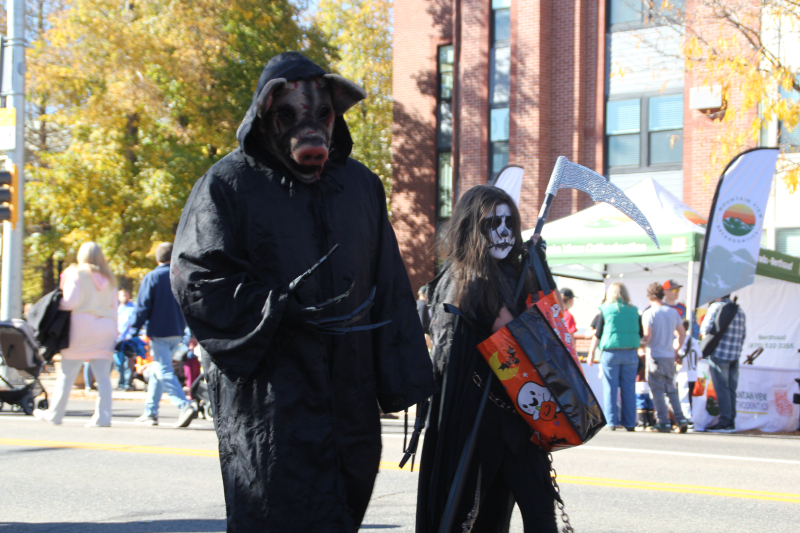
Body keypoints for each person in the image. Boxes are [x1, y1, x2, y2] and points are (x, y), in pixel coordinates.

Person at [170, 52, 436, 532]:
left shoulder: (361, 188)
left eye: (321, 114)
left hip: (350, 404)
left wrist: (410, 382)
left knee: (343, 511)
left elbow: (390, 286)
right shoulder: (227, 185)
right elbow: (196, 276)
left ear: (335, 114)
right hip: (272, 406)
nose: (309, 129)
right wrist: (272, 309)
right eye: (289, 115)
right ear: (266, 115)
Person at [417, 185, 559, 533]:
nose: (505, 232)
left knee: (536, 511)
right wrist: (534, 272)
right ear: (473, 228)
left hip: (512, 419)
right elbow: (523, 340)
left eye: (510, 222)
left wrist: (536, 270)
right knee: (475, 516)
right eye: (494, 223)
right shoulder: (469, 280)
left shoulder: (501, 274)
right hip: (478, 423)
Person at [33, 242, 118, 427]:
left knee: (66, 374)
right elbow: (114, 307)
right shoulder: (109, 278)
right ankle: (103, 417)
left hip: (81, 327)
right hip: (106, 327)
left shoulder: (76, 273)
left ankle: (55, 414)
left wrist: (55, 305)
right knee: (103, 377)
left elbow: (70, 301)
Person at [130, 242, 197, 428]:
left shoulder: (153, 277)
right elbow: (190, 306)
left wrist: (133, 330)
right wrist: (192, 333)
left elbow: (143, 307)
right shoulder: (181, 276)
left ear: (157, 258)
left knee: (162, 369)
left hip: (159, 331)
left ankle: (183, 405)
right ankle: (150, 412)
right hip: (178, 330)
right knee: (158, 370)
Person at [587, 283, 641, 431]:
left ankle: (611, 422)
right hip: (631, 352)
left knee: (610, 389)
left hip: (610, 353)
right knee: (629, 389)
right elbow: (641, 333)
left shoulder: (605, 310)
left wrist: (591, 353)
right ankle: (630, 423)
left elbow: (598, 334)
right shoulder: (634, 311)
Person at [641, 282, 688, 433]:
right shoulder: (673, 312)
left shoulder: (649, 313)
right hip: (669, 355)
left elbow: (647, 337)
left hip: (655, 355)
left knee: (657, 391)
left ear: (650, 296)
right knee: (671, 390)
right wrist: (676, 349)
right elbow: (682, 333)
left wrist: (638, 344)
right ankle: (680, 419)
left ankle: (663, 421)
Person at [700, 295, 746, 433]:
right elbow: (743, 334)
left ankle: (725, 422)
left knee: (722, 389)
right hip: (734, 355)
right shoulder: (739, 310)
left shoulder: (716, 307)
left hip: (720, 353)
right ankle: (730, 421)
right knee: (731, 389)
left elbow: (705, 329)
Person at [114, 289, 136, 390]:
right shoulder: (117, 309)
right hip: (117, 340)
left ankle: (128, 383)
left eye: (126, 295)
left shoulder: (133, 309)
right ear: (118, 297)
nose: (124, 297)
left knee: (128, 363)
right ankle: (121, 383)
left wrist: (131, 336)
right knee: (118, 363)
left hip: (128, 340)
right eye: (122, 295)